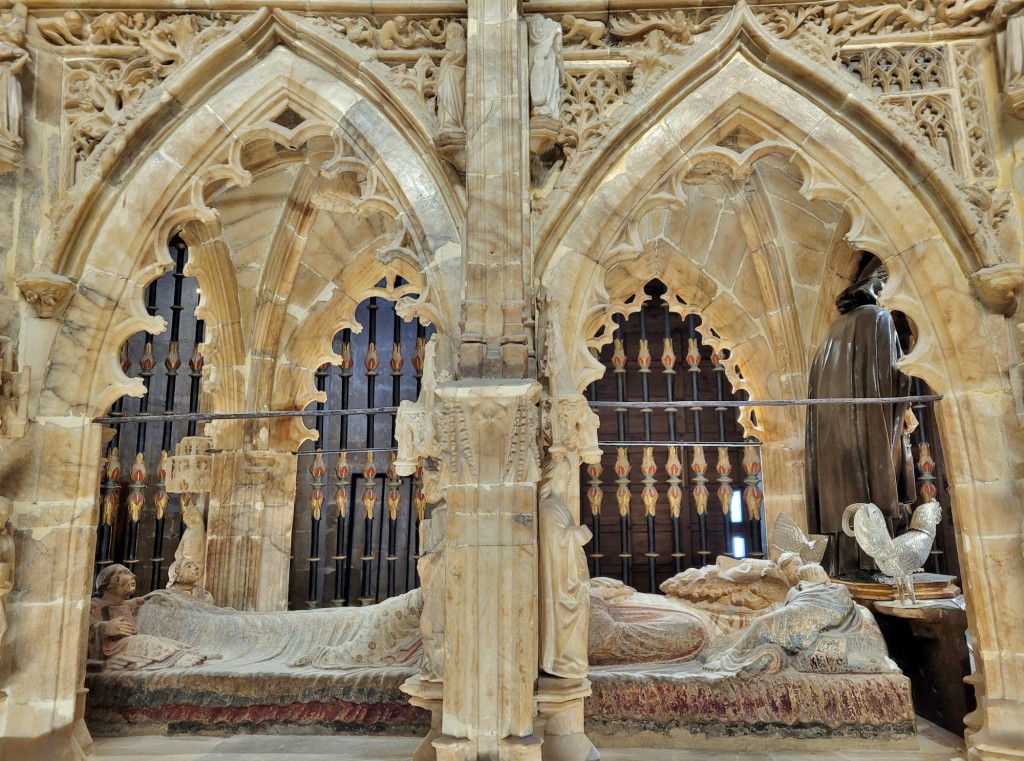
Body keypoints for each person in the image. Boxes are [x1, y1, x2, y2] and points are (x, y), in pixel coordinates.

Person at [805, 261, 916, 576]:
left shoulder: (831, 333)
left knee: (844, 506)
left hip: (834, 445)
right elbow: (892, 377)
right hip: (867, 433)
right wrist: (904, 411)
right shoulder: (877, 319)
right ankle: (875, 567)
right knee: (871, 498)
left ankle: (846, 567)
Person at [89, 564, 209, 670]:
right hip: (112, 648)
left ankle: (187, 651)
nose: (133, 577)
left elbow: (144, 599)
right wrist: (106, 627)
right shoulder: (96, 604)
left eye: (131, 574)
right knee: (143, 640)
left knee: (162, 640)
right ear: (107, 582)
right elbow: (83, 630)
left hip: (127, 642)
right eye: (125, 573)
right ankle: (177, 659)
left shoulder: (127, 604)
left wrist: (161, 595)